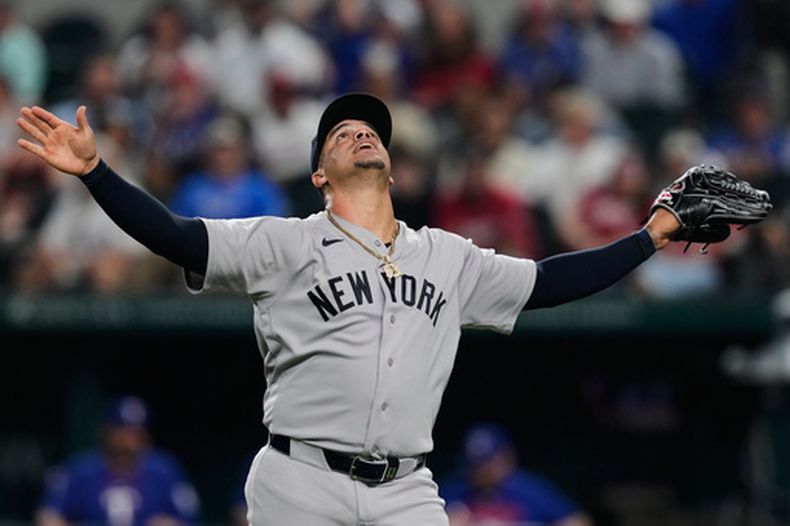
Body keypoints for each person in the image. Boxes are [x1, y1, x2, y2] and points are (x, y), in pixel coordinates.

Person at [17, 92, 682, 525]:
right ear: (318, 174)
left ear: (392, 167)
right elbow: (175, 236)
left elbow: (547, 281)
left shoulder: (448, 256)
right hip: (300, 481)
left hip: (406, 491)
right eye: (343, 134)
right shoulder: (284, 241)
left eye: (371, 132)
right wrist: (98, 171)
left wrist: (648, 237)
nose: (362, 135)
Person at [35, 395, 200, 526]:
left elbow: (189, 515)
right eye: (122, 431)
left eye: (136, 432)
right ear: (106, 431)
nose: (129, 440)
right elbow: (48, 516)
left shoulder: (165, 470)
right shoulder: (81, 470)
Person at [440, 421, 593, 526]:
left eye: (488, 462)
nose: (482, 470)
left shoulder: (529, 488)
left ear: (507, 457)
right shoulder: (454, 489)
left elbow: (579, 521)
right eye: (474, 463)